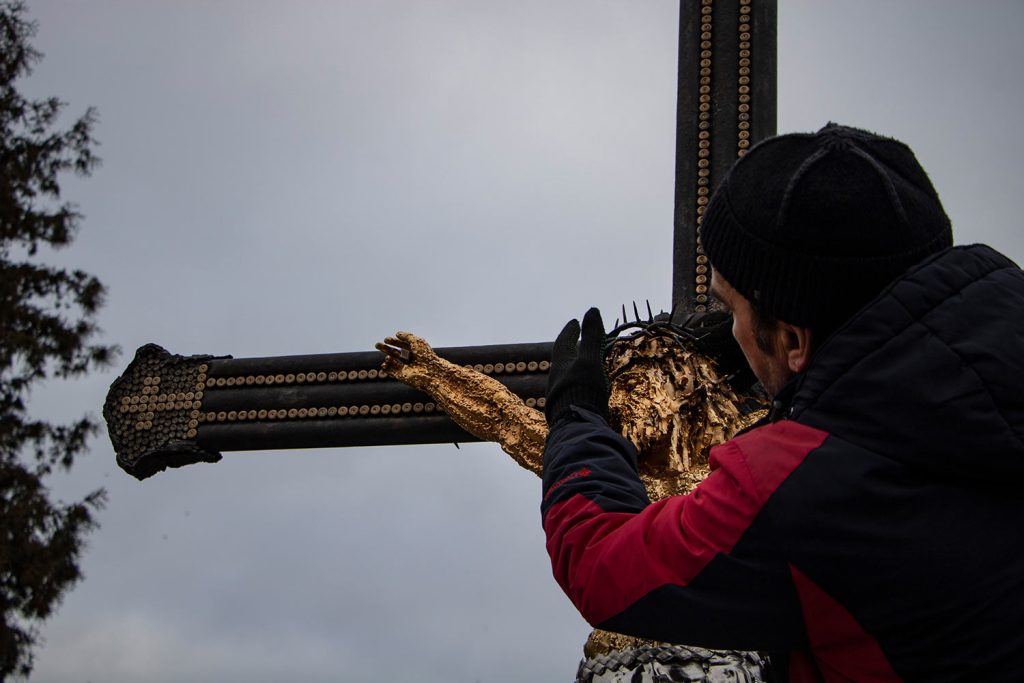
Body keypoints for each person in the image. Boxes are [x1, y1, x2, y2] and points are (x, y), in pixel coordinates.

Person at [540, 123, 1024, 682]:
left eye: (733, 310)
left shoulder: (798, 492)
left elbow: (603, 564)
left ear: (794, 341)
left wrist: (577, 419)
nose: (730, 330)